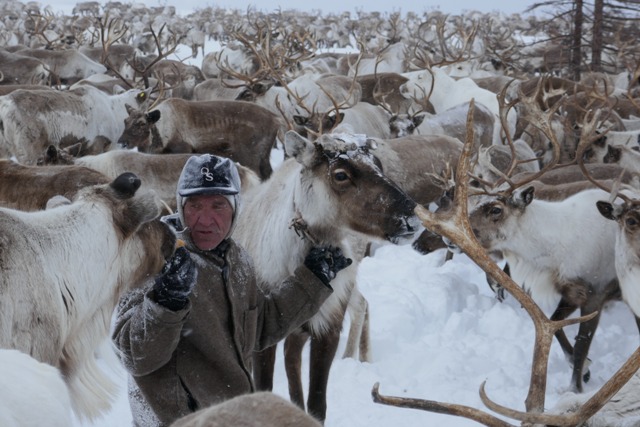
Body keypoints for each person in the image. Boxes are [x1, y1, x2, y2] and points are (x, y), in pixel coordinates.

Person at [111, 154, 352, 427]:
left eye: (218, 205)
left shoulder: (237, 259)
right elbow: (134, 356)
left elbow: (258, 328)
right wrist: (165, 302)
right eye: (195, 204)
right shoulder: (155, 256)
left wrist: (313, 279)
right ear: (180, 204)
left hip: (229, 418)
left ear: (236, 207)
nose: (205, 219)